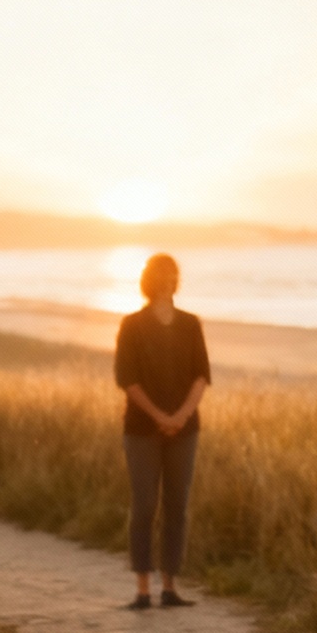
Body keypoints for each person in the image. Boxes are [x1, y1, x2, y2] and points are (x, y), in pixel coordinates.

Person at [114, 253, 211, 609]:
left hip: (185, 430)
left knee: (177, 507)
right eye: (161, 274)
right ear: (148, 279)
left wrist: (181, 416)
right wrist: (159, 416)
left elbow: (201, 375)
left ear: (177, 279)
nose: (168, 279)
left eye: (173, 273)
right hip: (141, 429)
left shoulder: (190, 324)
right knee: (144, 506)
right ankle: (143, 588)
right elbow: (127, 379)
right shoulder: (132, 325)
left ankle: (170, 587)